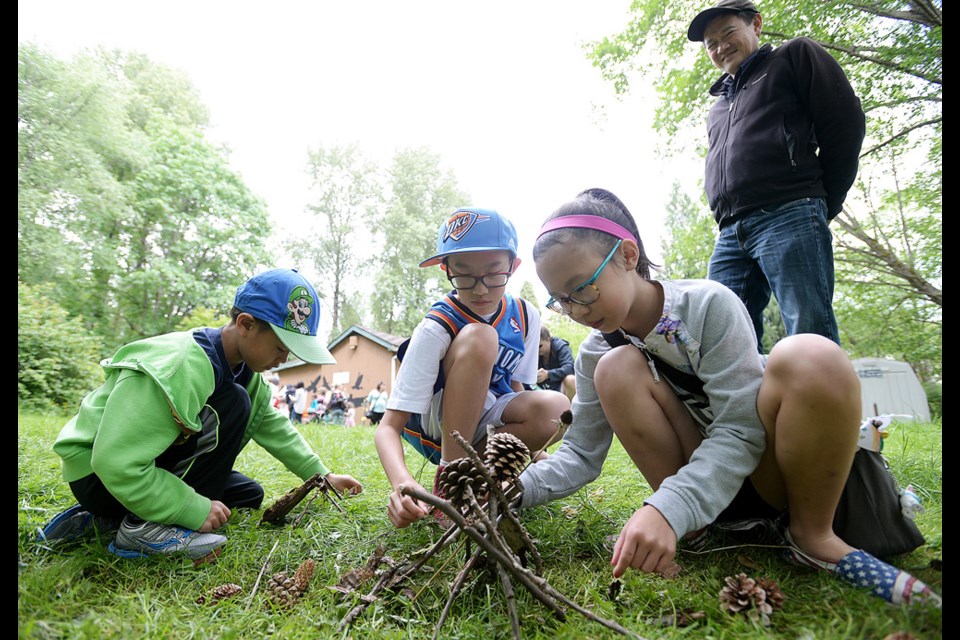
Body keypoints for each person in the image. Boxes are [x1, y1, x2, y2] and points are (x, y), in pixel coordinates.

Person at [522, 188, 939, 607]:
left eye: (582, 288)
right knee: (615, 365)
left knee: (810, 354)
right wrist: (509, 489)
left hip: (769, 471)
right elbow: (579, 454)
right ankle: (695, 531)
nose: (575, 310)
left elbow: (741, 426)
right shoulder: (597, 350)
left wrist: (669, 506)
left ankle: (812, 536)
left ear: (628, 256)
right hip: (703, 491)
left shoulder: (708, 305)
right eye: (561, 300)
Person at [38, 269, 364, 563]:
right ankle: (141, 528)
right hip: (98, 475)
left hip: (125, 472)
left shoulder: (245, 375)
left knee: (247, 494)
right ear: (246, 324)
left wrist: (323, 476)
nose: (284, 359)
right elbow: (113, 460)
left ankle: (107, 519)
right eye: (280, 347)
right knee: (235, 405)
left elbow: (275, 428)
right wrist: (192, 508)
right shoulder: (183, 364)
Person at [687, 0, 866, 351]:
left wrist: (823, 200)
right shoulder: (718, 108)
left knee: (808, 330)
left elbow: (844, 122)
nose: (720, 47)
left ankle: (822, 406)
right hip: (730, 233)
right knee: (719, 338)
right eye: (711, 44)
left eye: (728, 33)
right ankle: (751, 407)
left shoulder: (793, 57)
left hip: (789, 212)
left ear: (755, 25)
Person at [375, 207, 570, 528]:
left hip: (488, 424)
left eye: (494, 273)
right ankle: (451, 484)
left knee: (557, 408)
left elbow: (517, 390)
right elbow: (387, 427)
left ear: (513, 266)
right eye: (464, 274)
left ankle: (481, 485)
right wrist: (402, 484)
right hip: (441, 428)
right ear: (445, 269)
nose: (480, 289)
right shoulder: (436, 326)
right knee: (481, 337)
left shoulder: (524, 316)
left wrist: (534, 450)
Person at [536, 326, 576, 400]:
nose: (536, 350)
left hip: (561, 388)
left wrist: (548, 374)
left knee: (571, 380)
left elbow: (570, 368)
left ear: (548, 339)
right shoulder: (532, 353)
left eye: (539, 346)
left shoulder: (560, 346)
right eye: (534, 347)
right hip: (541, 392)